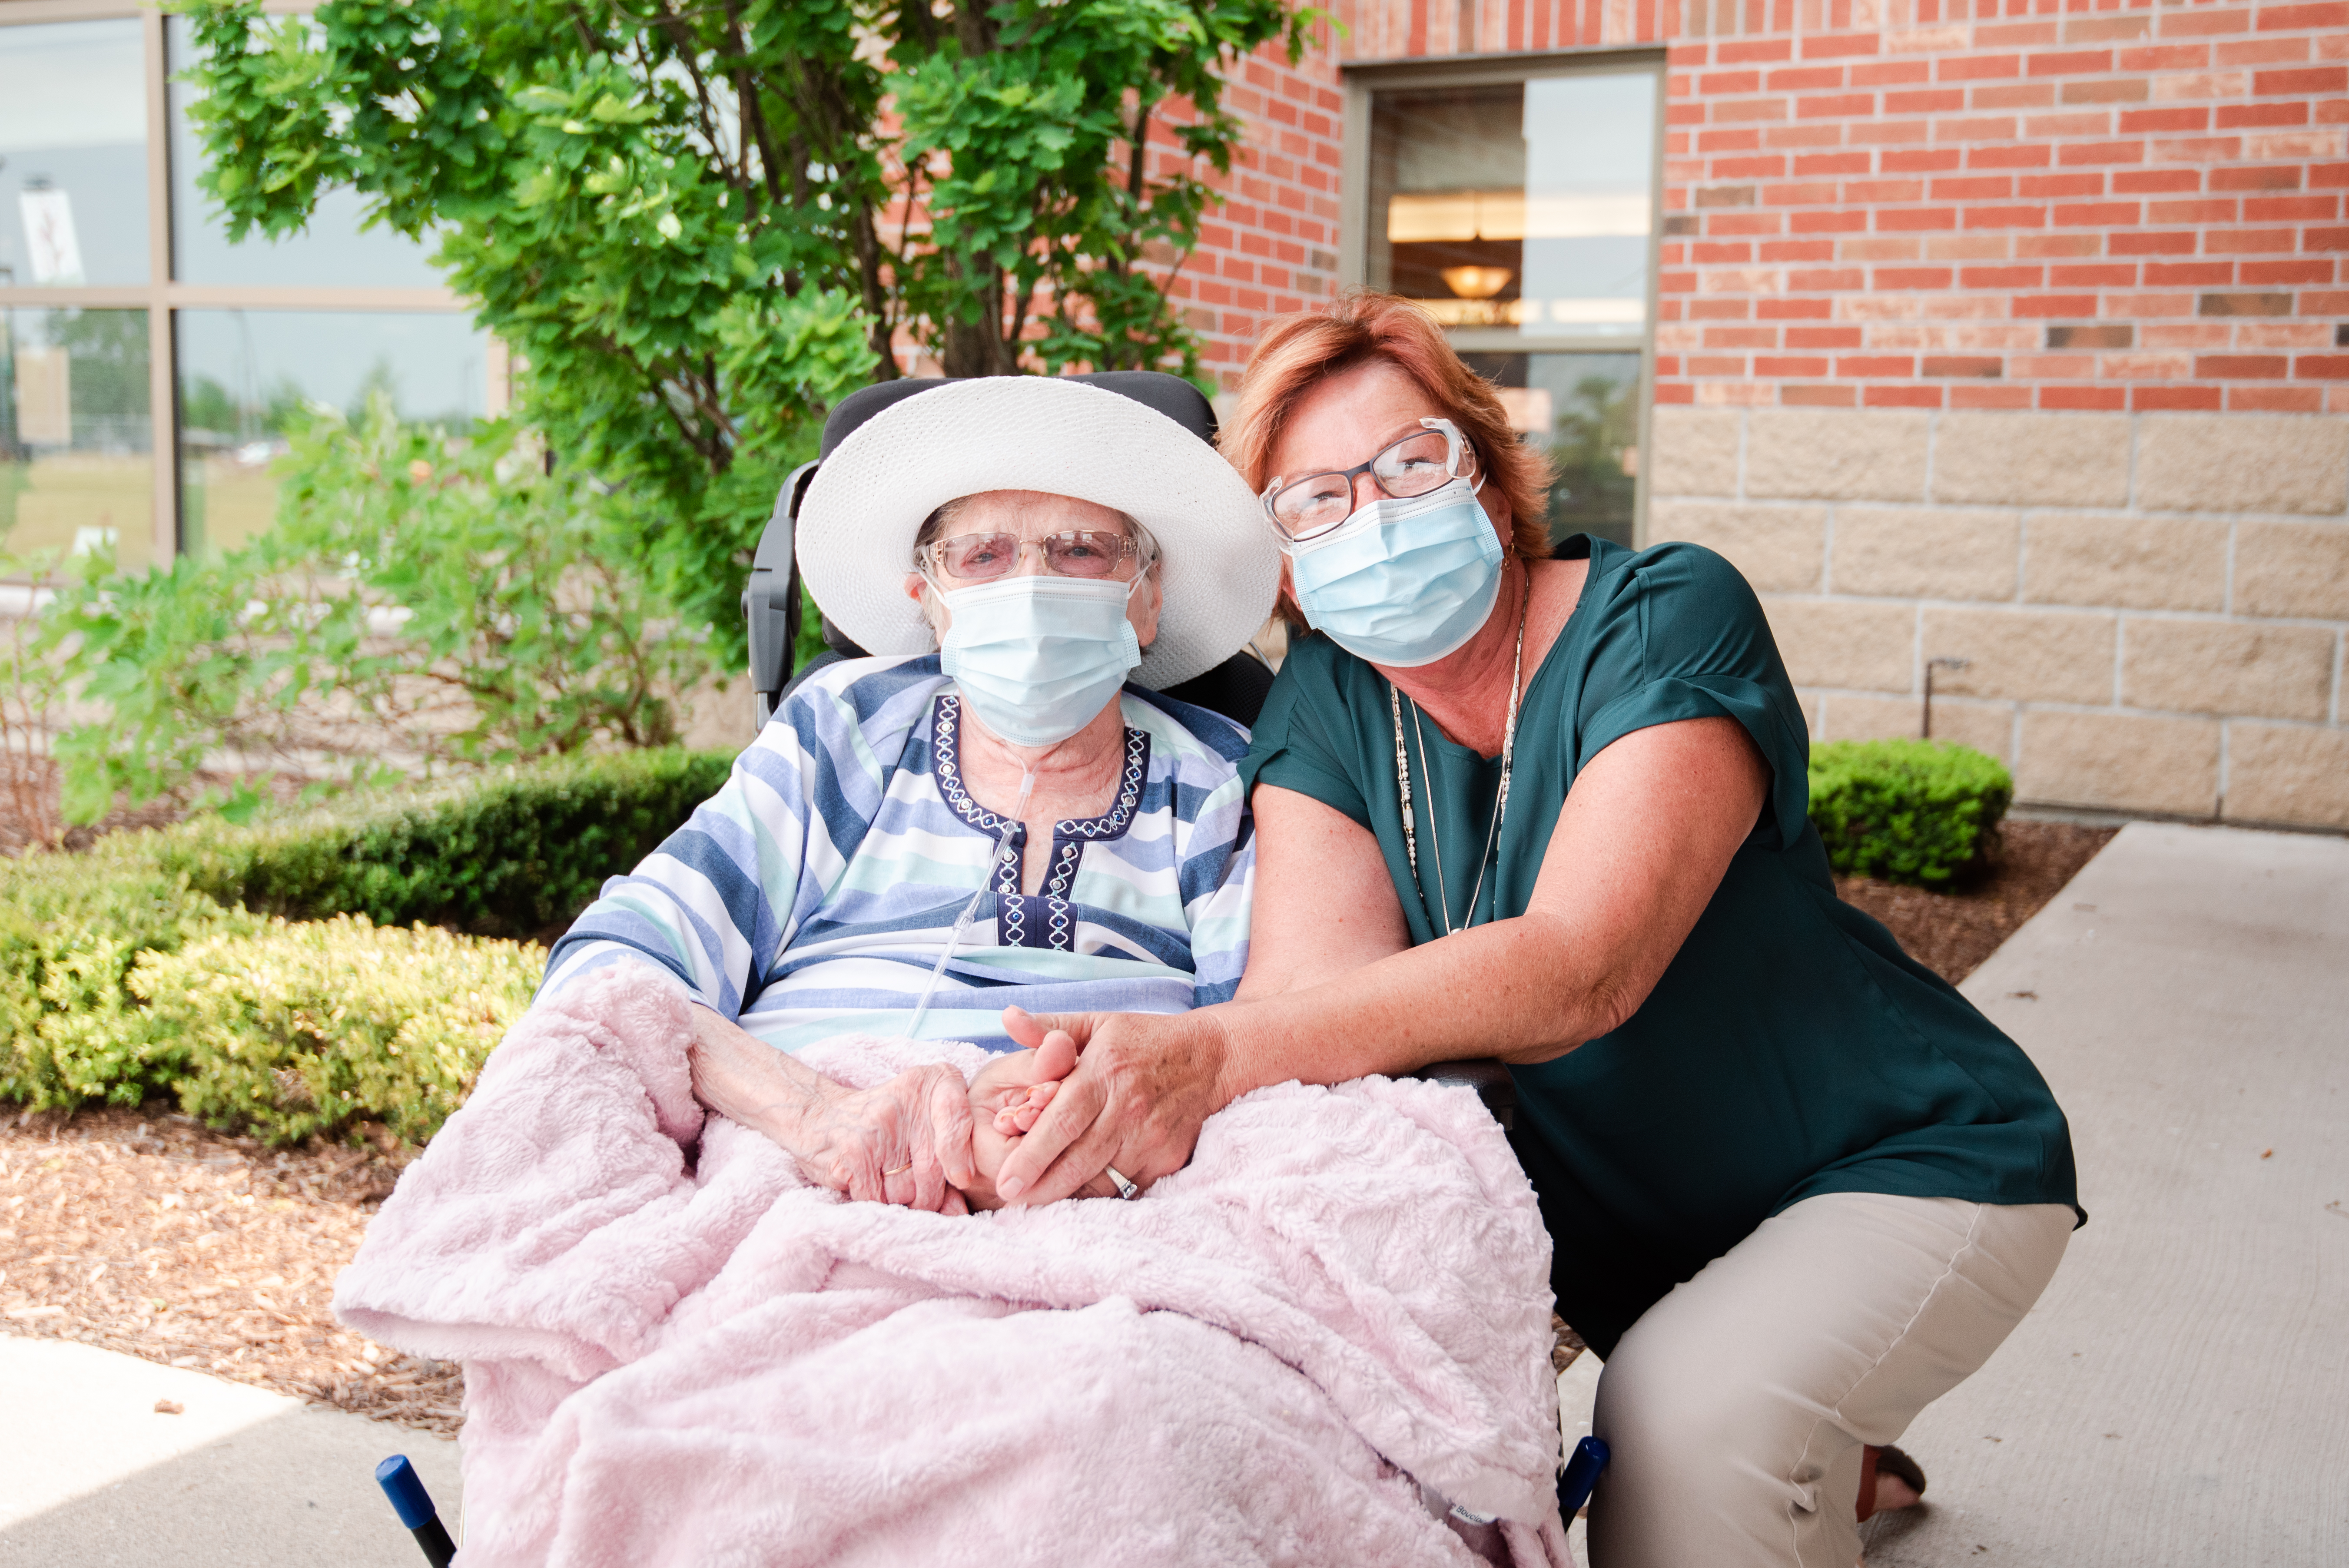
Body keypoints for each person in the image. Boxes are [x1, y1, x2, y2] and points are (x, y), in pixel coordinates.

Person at [982, 293, 2084, 1568]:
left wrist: (1206, 1054)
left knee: (1681, 1420)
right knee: (1709, 1406)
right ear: (1283, 562)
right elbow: (1313, 1008)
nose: (1374, 516)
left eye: (1409, 463)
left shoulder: (1666, 614)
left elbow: (1581, 965)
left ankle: (1784, 1432)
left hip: (1899, 1164)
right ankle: (1832, 1464)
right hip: (1657, 1234)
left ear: (1487, 474)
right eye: (1314, 501)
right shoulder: (1329, 709)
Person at [542, 374, 1278, 1213]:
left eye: (1080, 550)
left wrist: (1045, 1144)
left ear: (1145, 598)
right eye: (982, 556)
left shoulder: (1221, 782)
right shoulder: (843, 732)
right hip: (794, 1178)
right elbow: (609, 973)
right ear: (928, 601)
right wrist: (823, 1115)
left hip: (1091, 1204)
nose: (1030, 586)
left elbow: (1259, 1054)